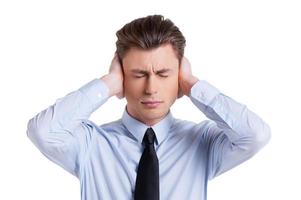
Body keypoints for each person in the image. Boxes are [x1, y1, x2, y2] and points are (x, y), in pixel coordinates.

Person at [27, 14, 271, 200]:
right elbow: (42, 131)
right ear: (122, 76)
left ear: (179, 75)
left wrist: (193, 86)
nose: (151, 88)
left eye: (164, 74)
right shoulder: (90, 144)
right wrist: (107, 84)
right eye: (138, 74)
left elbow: (255, 135)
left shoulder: (202, 142)